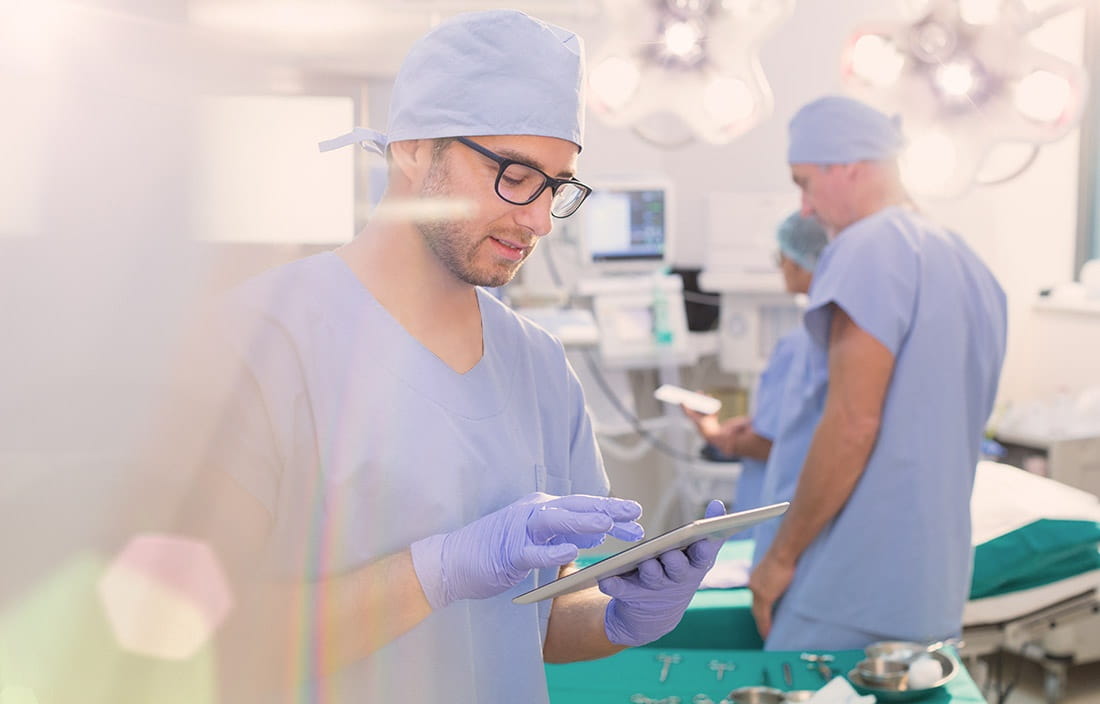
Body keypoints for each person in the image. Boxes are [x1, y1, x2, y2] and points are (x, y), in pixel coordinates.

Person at [178, 10, 725, 703]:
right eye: (516, 174)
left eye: (557, 187)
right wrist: (439, 569)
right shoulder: (261, 344)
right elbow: (214, 645)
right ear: (412, 147)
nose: (536, 219)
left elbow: (544, 618)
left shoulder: (539, 368)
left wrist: (623, 619)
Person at [747, 95, 1008, 650]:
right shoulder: (969, 263)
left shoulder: (868, 246)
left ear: (847, 166)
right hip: (928, 583)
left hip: (846, 577)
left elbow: (851, 424)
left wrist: (780, 558)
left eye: (805, 182)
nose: (806, 208)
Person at [683, 213, 829, 529]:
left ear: (799, 261)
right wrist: (754, 423)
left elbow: (772, 445)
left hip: (777, 511)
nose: (780, 266)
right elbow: (807, 423)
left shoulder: (798, 346)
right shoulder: (836, 338)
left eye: (781, 256)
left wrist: (716, 434)